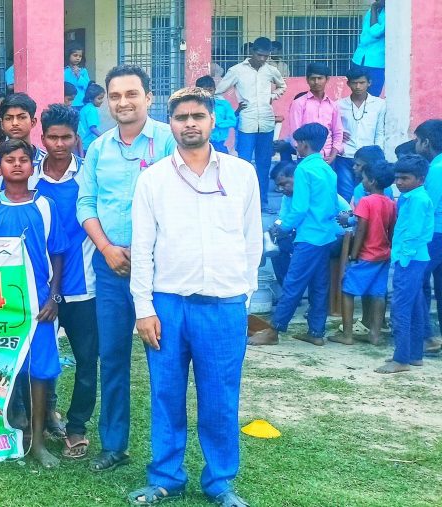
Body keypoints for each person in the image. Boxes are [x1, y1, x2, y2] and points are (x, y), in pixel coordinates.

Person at [127, 86, 261, 507]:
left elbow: (252, 240)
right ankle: (167, 476)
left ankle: (220, 481)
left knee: (220, 397)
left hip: (223, 304)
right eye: (181, 117)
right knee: (166, 394)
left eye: (197, 116)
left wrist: (244, 294)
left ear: (212, 121)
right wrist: (144, 308)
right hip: (168, 304)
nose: (189, 124)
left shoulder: (241, 174)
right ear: (170, 123)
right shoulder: (153, 179)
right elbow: (142, 247)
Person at [76, 65, 177, 473]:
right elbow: (86, 203)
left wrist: (144, 251)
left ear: (148, 98)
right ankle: (113, 445)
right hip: (112, 268)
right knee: (112, 357)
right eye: (115, 96)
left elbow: (181, 202)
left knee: (164, 362)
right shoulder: (98, 148)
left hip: (162, 270)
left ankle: (164, 453)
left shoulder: (169, 141)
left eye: (131, 94)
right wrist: (106, 248)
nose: (123, 102)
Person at [0, 139, 68, 468]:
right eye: (9, 159)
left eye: (23, 159)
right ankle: (7, 433)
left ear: (32, 166)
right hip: (1, 302)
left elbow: (57, 253)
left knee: (39, 371)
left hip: (39, 302)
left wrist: (54, 297)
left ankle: (38, 441)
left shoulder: (45, 205)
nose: (17, 164)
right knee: (0, 368)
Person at [33, 104, 99, 460]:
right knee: (39, 359)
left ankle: (76, 427)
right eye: (53, 137)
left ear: (76, 138)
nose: (59, 144)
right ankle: (41, 419)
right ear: (42, 138)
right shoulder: (28, 178)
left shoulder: (90, 174)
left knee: (87, 361)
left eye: (66, 137)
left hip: (84, 286)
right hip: (39, 290)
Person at [262, 123, 345, 346]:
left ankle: (274, 330)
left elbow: (299, 208)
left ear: (304, 144)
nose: (296, 147)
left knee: (293, 283)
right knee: (319, 285)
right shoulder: (328, 169)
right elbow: (332, 205)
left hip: (309, 236)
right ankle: (316, 332)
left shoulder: (303, 170)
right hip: (326, 235)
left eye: (297, 143)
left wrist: (282, 228)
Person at [217, 37, 287, 210]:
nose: (262, 59)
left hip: (266, 123)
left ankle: (262, 203)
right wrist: (233, 110)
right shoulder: (237, 70)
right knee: (244, 165)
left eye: (266, 56)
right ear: (252, 52)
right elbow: (218, 93)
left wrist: (272, 97)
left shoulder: (271, 70)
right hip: (246, 123)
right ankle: (242, 203)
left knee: (264, 165)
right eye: (259, 55)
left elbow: (282, 86)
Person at [380, 154, 432, 374]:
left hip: (409, 259)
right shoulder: (410, 197)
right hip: (414, 258)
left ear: (420, 179)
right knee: (416, 306)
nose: (399, 182)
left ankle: (401, 358)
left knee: (400, 307)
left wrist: (403, 258)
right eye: (397, 178)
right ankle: (414, 355)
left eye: (405, 178)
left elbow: (414, 232)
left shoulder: (418, 200)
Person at [334, 160, 395, 346]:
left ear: (372, 181)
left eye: (364, 179)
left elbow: (361, 229)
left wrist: (353, 254)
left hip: (366, 254)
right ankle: (375, 334)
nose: (362, 182)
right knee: (378, 293)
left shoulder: (365, 202)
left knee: (347, 290)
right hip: (383, 254)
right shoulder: (391, 203)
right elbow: (391, 229)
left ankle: (347, 335)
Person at [338, 67, 387, 201]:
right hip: (345, 155)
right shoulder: (339, 105)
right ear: (348, 84)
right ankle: (348, 215)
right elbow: (333, 129)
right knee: (345, 194)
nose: (358, 86)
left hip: (369, 158)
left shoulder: (379, 104)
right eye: (354, 83)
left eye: (362, 82)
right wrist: (339, 134)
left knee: (367, 193)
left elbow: (379, 132)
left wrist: (379, 154)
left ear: (369, 83)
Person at [283, 63, 344, 171]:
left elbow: (338, 133)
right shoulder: (299, 103)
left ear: (327, 79)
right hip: (306, 158)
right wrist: (307, 155)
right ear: (307, 80)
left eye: (320, 78)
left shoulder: (333, 105)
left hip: (328, 158)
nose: (316, 82)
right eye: (313, 78)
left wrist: (333, 155)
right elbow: (295, 133)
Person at [415, 120, 442, 353]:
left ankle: (426, 336)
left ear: (426, 142)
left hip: (434, 234)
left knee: (416, 280)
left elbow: (427, 207)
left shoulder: (435, 170)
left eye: (417, 140)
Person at [0, 93, 46, 189]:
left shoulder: (46, 162)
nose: (15, 123)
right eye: (9, 118)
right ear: (2, 124)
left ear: (33, 122)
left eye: (22, 117)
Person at [195, 75, 237, 155]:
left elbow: (233, 122)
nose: (208, 93)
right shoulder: (194, 106)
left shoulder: (224, 104)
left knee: (222, 162)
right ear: (198, 91)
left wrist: (217, 122)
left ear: (214, 90)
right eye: (204, 91)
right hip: (201, 144)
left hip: (220, 143)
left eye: (210, 90)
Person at [352, 0, 386, 96]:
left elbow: (375, 32)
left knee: (372, 98)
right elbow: (365, 33)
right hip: (359, 58)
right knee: (357, 96)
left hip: (376, 63)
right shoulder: (372, 10)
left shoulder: (391, 13)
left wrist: (374, 8)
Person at [79, 84, 106, 154]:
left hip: (83, 144)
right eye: (99, 98)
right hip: (88, 144)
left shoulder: (85, 108)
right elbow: (93, 128)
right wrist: (104, 138)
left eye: (102, 98)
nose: (102, 101)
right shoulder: (91, 109)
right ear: (91, 99)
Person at [64, 44, 91, 108]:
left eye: (80, 56)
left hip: (80, 102)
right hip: (67, 103)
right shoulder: (64, 70)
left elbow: (87, 86)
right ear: (68, 55)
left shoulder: (83, 70)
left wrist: (79, 76)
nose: (78, 58)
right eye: (75, 55)